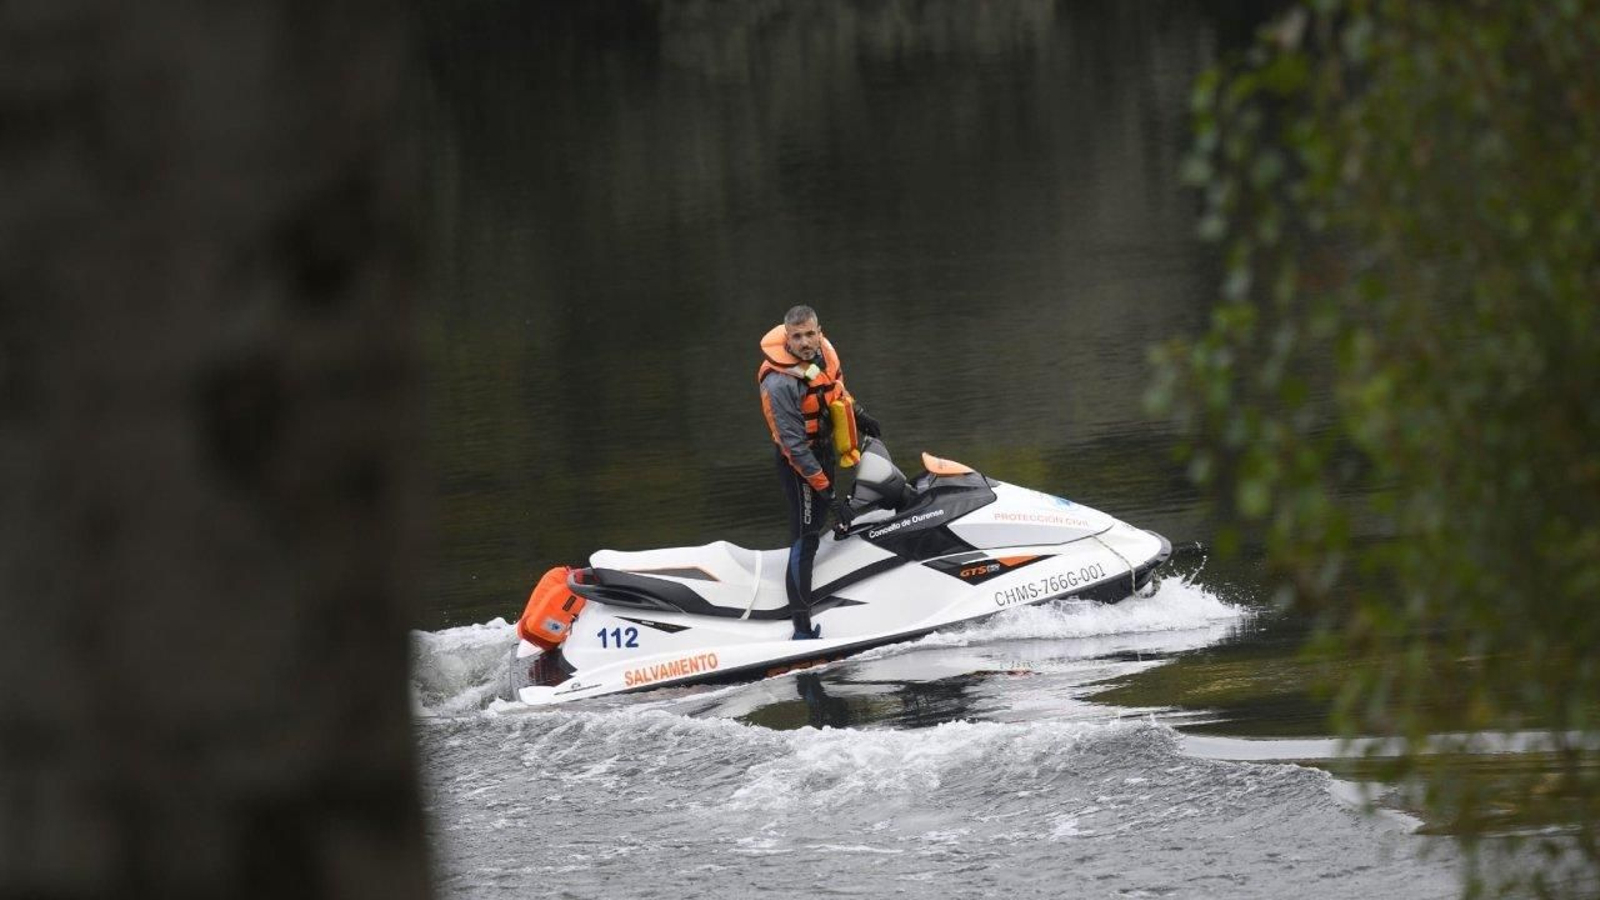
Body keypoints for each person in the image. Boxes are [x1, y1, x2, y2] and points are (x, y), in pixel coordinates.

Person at [757, 305, 882, 640]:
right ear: (787, 339)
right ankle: (801, 628)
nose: (805, 342)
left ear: (819, 332)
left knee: (826, 522)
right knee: (805, 536)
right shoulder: (779, 383)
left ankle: (836, 590)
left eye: (810, 334)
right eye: (797, 337)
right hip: (798, 464)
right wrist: (828, 492)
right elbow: (794, 448)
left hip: (825, 450)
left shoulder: (825, 354)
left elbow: (835, 391)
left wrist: (861, 415)